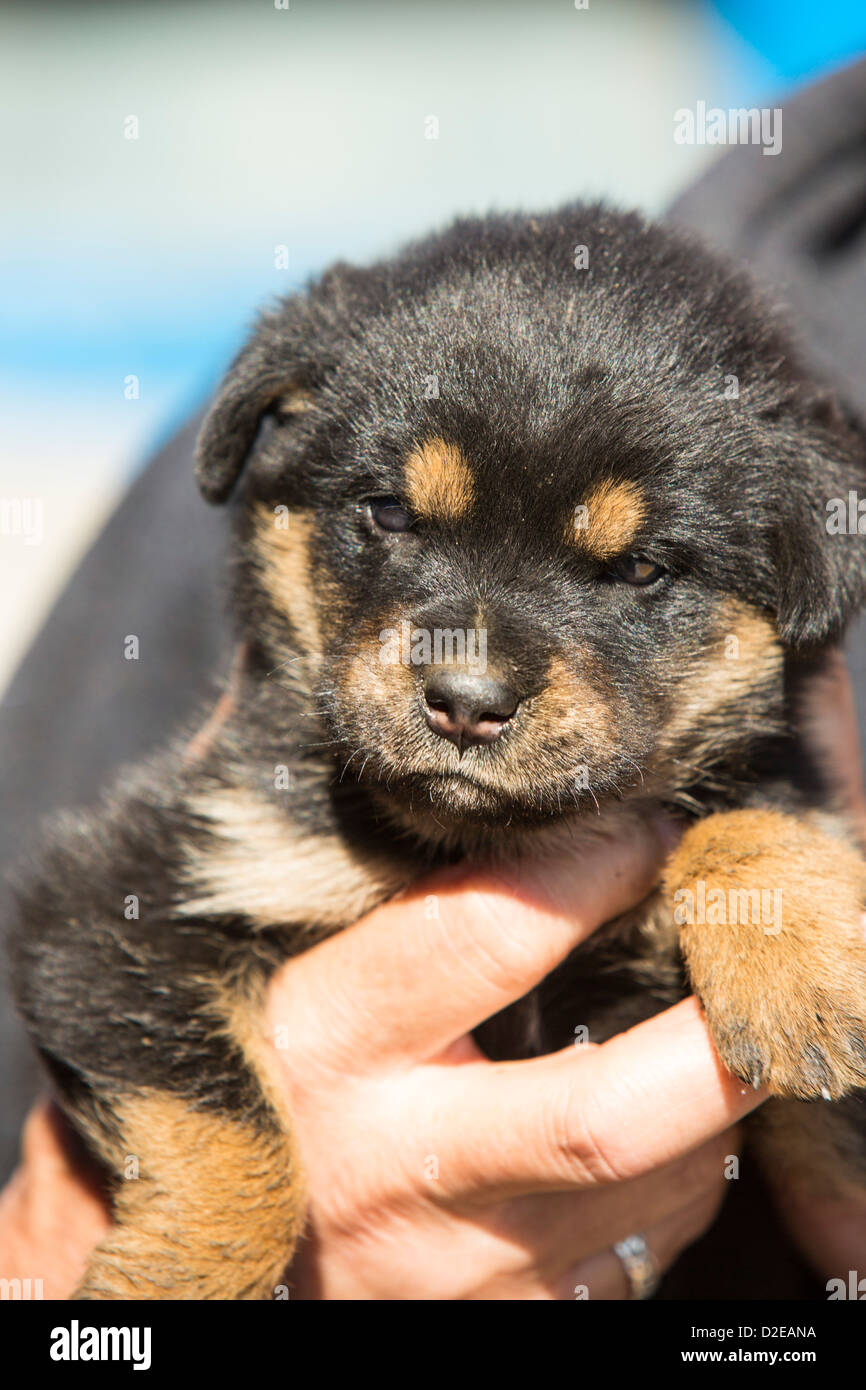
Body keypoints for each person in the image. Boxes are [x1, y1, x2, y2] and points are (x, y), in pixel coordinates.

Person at [3, 58, 866, 1300]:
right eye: (391, 523)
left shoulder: (757, 859)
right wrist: (207, 1233)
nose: (468, 675)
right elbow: (88, 941)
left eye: (631, 577)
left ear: (797, 591)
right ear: (270, 450)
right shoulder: (248, 759)